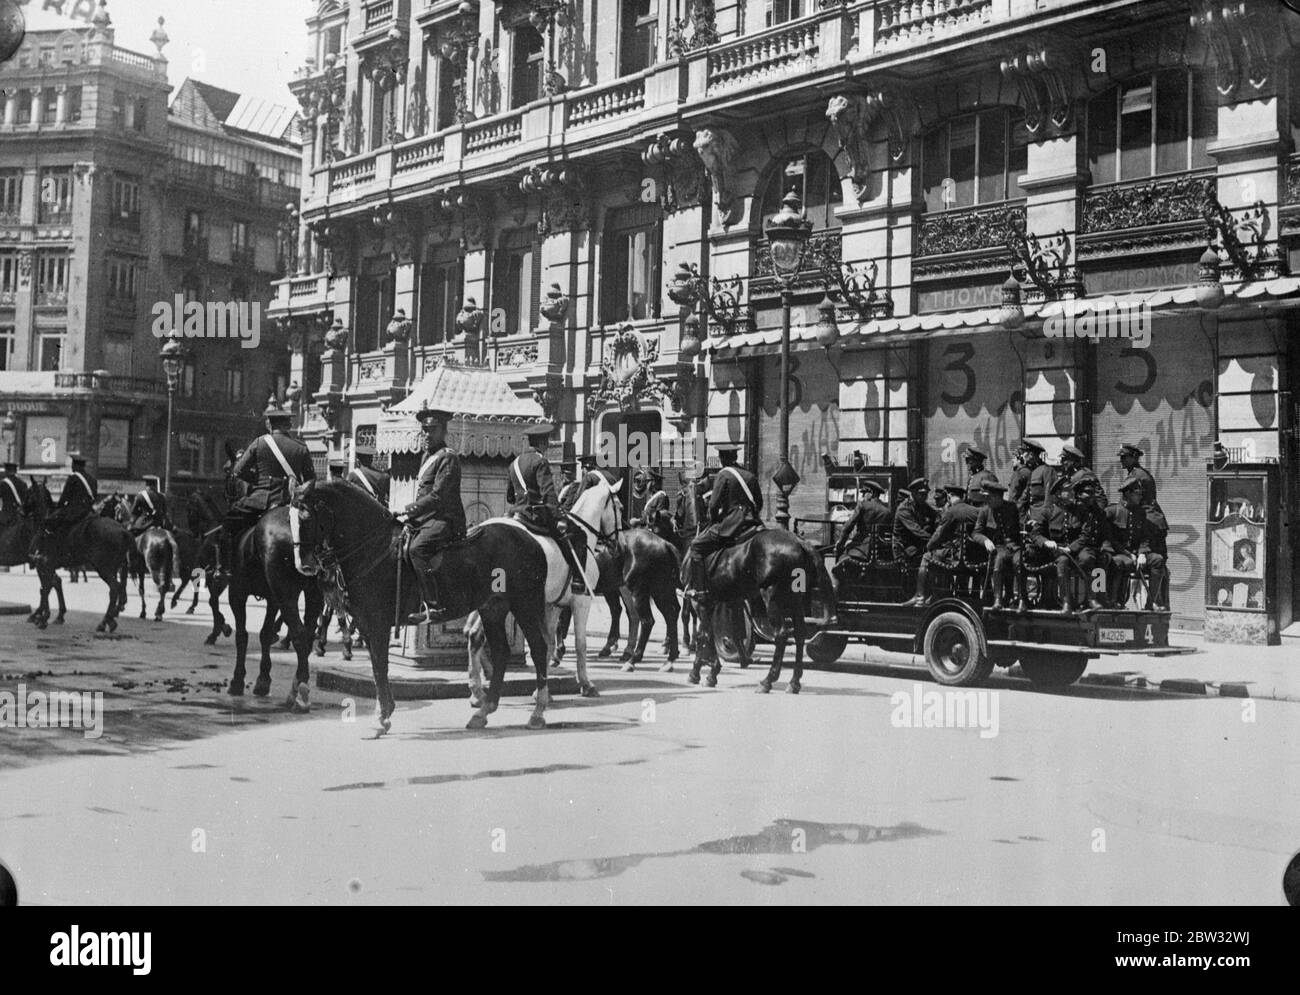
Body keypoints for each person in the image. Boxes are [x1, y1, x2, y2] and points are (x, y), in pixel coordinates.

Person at [218, 403, 315, 576]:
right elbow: (310, 480)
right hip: (288, 501)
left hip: (259, 500)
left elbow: (237, 471)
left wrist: (256, 481)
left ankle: (225, 568)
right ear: (289, 426)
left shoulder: (259, 443)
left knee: (229, 524)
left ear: (269, 425)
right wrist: (297, 495)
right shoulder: (301, 447)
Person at [403, 409, 467, 623]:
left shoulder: (448, 458)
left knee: (417, 549)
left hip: (445, 520)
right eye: (425, 430)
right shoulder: (427, 456)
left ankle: (434, 606)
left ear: (444, 430)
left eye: (432, 430)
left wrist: (410, 509)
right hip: (427, 519)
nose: (427, 434)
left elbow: (439, 496)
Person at [507, 422, 587, 593]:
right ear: (543, 443)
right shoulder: (541, 461)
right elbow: (549, 495)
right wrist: (560, 518)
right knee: (579, 535)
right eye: (547, 443)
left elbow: (509, 496)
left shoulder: (513, 463)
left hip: (516, 515)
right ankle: (578, 582)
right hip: (535, 517)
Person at [685, 447, 762, 602]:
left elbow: (713, 505)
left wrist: (714, 520)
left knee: (696, 546)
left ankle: (700, 591)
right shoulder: (750, 475)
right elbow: (759, 503)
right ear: (735, 456)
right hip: (751, 523)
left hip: (731, 525)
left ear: (722, 458)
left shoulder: (724, 474)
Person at [911, 485, 983, 606]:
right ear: (963, 496)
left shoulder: (951, 512)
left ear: (949, 496)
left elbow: (938, 535)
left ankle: (921, 597)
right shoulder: (976, 511)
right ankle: (966, 595)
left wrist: (929, 546)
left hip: (955, 556)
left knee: (927, 557)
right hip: (973, 556)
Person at [1107, 476, 1169, 611]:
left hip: (1137, 555)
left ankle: (1151, 602)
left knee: (1158, 560)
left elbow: (1145, 537)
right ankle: (1115, 601)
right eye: (1137, 494)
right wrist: (1127, 554)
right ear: (1128, 494)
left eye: (1141, 494)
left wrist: (1142, 553)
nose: (1140, 497)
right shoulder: (1112, 511)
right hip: (1119, 554)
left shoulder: (1140, 513)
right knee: (1119, 563)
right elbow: (1109, 538)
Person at [1055, 476, 1108, 613]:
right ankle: (1072, 600)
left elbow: (1104, 533)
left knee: (1100, 561)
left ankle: (1096, 598)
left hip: (1091, 547)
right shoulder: (1074, 510)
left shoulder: (1096, 510)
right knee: (1085, 559)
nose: (1091, 496)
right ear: (1079, 495)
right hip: (1079, 548)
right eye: (1087, 493)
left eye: (1092, 493)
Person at [972, 481, 1021, 609]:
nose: (986, 500)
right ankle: (997, 599)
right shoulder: (985, 511)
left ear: (997, 497)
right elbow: (976, 533)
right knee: (999, 561)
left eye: (989, 497)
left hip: (1015, 547)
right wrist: (985, 540)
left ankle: (1019, 598)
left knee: (1019, 562)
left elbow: (1020, 528)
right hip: (998, 547)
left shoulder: (1012, 508)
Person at [1015, 495, 1068, 612]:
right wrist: (1046, 542)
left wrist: (1072, 548)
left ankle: (1095, 598)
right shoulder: (1049, 512)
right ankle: (1062, 601)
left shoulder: (1082, 512)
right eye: (1066, 493)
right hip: (1054, 553)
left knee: (1091, 560)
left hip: (1074, 552)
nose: (1070, 496)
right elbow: (1035, 534)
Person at [834, 479, 893, 568]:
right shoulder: (887, 511)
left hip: (860, 549)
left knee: (839, 563)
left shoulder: (863, 505)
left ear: (872, 493)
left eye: (864, 493)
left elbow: (848, 526)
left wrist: (840, 543)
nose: (862, 496)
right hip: (880, 552)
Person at [893, 477, 936, 570]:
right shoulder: (904, 508)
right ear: (914, 493)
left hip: (917, 545)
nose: (925, 497)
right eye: (922, 494)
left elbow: (936, 516)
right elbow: (917, 530)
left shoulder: (922, 505)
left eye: (926, 494)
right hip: (904, 548)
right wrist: (935, 540)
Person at [1017, 439, 1054, 520]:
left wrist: (1042, 519)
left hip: (1041, 519)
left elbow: (1049, 498)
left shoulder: (1046, 470)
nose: (1022, 456)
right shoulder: (1032, 470)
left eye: (1024, 453)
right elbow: (1025, 496)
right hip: (1031, 517)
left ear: (1031, 454)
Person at [347, 440, 391, 507]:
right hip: (380, 512)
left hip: (361, 512)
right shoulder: (384, 476)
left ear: (358, 459)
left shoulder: (353, 476)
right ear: (372, 459)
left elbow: (348, 497)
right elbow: (389, 497)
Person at [1118, 443, 1158, 509]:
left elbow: (1126, 500)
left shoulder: (1136, 475)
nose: (1121, 460)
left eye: (1124, 457)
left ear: (1133, 457)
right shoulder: (1138, 472)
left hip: (1144, 514)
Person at [638, 467, 673, 538]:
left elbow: (660, 518)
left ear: (653, 482)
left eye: (647, 481)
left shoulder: (661, 496)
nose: (645, 484)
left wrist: (638, 521)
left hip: (656, 535)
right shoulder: (652, 498)